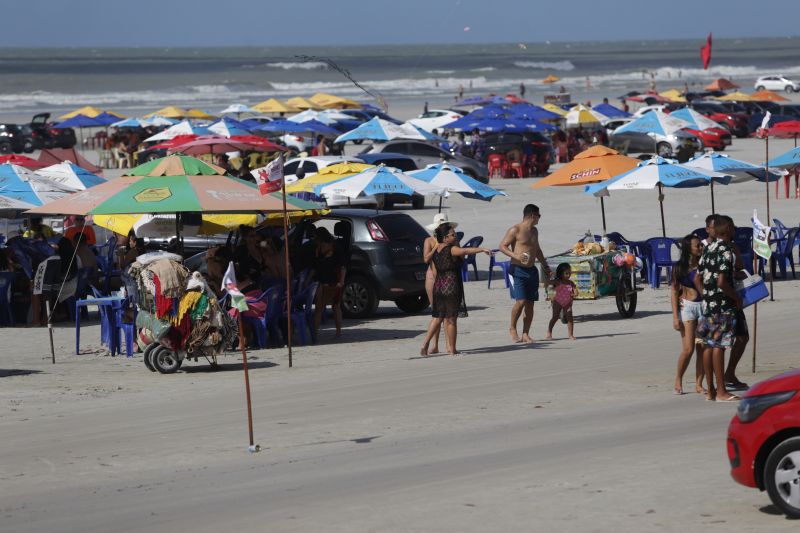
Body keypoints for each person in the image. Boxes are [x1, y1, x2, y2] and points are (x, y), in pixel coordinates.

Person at [420, 223, 491, 356]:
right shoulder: (451, 249)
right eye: (452, 235)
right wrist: (482, 249)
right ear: (445, 238)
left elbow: (429, 262)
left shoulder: (435, 250)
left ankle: (425, 343)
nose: (455, 236)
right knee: (451, 318)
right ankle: (452, 349)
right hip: (451, 285)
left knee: (437, 317)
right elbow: (465, 251)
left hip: (438, 285)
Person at [694, 215, 742, 402]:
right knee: (719, 347)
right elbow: (722, 281)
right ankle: (722, 391)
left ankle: (712, 391)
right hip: (723, 305)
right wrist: (736, 298)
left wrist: (706, 295)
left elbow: (697, 277)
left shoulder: (709, 249)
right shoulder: (727, 250)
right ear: (728, 229)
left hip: (708, 305)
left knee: (708, 346)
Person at [499, 204, 551, 344]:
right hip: (518, 270)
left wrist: (545, 266)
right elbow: (502, 246)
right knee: (520, 301)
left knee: (530, 304)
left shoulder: (534, 231)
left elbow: (537, 250)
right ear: (532, 215)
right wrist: (515, 255)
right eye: (539, 215)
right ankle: (512, 327)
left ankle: (525, 333)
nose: (539, 218)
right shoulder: (515, 229)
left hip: (531, 270)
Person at [671, 234, 705, 395]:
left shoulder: (704, 264)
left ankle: (699, 384)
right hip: (688, 307)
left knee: (703, 348)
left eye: (701, 245)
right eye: (697, 246)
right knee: (688, 349)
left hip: (704, 307)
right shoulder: (679, 268)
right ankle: (678, 378)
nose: (700, 248)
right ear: (688, 249)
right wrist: (675, 317)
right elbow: (673, 291)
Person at [422, 213, 456, 354]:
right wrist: (436, 246)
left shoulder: (451, 240)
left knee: (449, 315)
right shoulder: (429, 241)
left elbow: (460, 256)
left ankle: (449, 345)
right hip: (432, 277)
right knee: (437, 314)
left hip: (448, 278)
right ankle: (434, 345)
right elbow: (426, 259)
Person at [313, 227, 346, 338]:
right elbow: (342, 266)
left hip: (329, 281)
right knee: (335, 307)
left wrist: (341, 281)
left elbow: (342, 266)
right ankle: (338, 332)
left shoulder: (329, 248)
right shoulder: (332, 247)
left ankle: (316, 333)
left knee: (321, 308)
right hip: (332, 281)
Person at [546, 263, 577, 340]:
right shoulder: (557, 282)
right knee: (555, 317)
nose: (568, 275)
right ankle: (549, 332)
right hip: (557, 302)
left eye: (570, 273)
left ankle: (570, 335)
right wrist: (550, 295)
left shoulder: (571, 283)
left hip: (568, 303)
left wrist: (575, 293)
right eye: (566, 273)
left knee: (570, 318)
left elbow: (576, 291)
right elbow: (548, 284)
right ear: (560, 273)